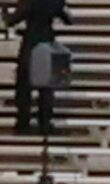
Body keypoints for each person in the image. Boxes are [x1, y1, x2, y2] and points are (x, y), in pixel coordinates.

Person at [10, 0, 68, 136]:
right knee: (47, 89)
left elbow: (12, 20)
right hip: (48, 40)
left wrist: (4, 11)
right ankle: (45, 123)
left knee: (24, 87)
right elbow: (68, 19)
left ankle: (23, 123)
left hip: (30, 43)